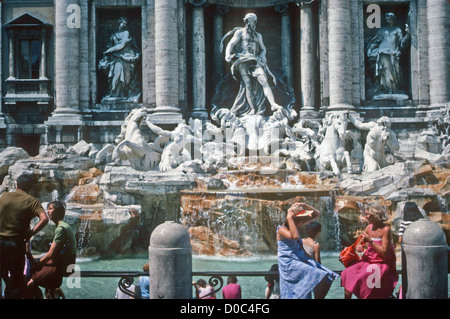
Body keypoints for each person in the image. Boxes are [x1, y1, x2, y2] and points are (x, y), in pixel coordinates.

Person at [224, 13, 282, 116]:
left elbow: (263, 48)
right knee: (248, 85)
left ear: (255, 22)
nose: (250, 23)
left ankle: (273, 104)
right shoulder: (240, 32)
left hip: (255, 60)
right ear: (245, 21)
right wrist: (227, 54)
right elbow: (231, 43)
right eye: (248, 20)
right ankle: (252, 109)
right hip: (243, 59)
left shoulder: (258, 35)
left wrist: (263, 55)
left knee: (264, 81)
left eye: (253, 21)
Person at [0, 173, 48, 299]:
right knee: (16, 279)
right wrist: (31, 232)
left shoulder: (4, 196)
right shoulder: (32, 201)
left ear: (17, 184)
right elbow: (44, 219)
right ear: (31, 187)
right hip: (16, 244)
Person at [277, 202, 339, 299]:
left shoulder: (296, 225)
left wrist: (305, 205)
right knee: (319, 274)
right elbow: (295, 236)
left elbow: (316, 214)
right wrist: (289, 218)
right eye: (301, 221)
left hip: (299, 258)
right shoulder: (281, 229)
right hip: (288, 261)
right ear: (295, 220)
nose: (303, 223)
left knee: (328, 275)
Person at [341, 202, 398, 299]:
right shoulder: (369, 227)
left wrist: (371, 242)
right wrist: (359, 246)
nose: (365, 216)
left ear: (375, 215)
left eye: (367, 214)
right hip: (368, 260)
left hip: (380, 262)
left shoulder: (385, 230)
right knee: (347, 272)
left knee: (365, 276)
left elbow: (385, 252)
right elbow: (361, 243)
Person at [26, 201, 77, 299]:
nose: (48, 211)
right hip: (63, 263)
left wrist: (38, 262)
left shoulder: (61, 228)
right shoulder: (63, 226)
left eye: (50, 209)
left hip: (59, 265)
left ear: (57, 211)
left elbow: (50, 254)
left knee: (30, 282)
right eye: (48, 209)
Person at [366, 12, 410, 97]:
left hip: (393, 52)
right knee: (385, 70)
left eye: (389, 18)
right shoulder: (382, 30)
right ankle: (386, 89)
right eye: (387, 18)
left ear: (393, 19)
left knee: (395, 71)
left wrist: (408, 34)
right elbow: (375, 41)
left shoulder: (397, 30)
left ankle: (394, 89)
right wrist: (370, 49)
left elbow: (402, 43)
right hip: (382, 52)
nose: (388, 20)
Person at [98, 17, 141, 103]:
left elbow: (122, 45)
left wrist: (110, 50)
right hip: (116, 59)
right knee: (116, 74)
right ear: (119, 23)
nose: (124, 25)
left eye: (125, 24)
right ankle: (114, 93)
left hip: (126, 58)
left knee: (126, 78)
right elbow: (109, 46)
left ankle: (123, 94)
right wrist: (107, 51)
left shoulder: (126, 33)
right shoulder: (113, 35)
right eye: (123, 23)